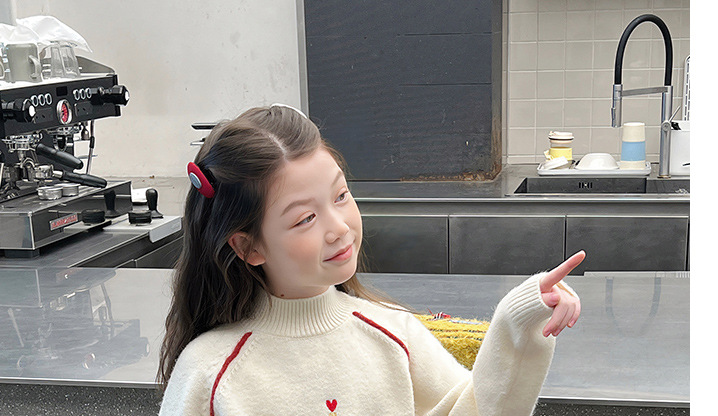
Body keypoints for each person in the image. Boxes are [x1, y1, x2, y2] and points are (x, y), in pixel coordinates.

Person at [157, 104, 584, 416]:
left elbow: (474, 408)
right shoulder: (209, 373)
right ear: (248, 247)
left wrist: (518, 320)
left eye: (341, 195)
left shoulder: (394, 333)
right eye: (305, 218)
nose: (339, 226)